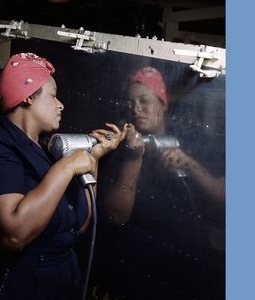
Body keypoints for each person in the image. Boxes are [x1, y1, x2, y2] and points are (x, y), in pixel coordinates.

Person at [0, 52, 128, 300]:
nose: (60, 104)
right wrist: (65, 168)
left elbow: (80, 225)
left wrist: (93, 158)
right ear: (29, 96)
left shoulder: (45, 149)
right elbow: (13, 234)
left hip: (63, 280)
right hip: (23, 287)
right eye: (53, 95)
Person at [94, 66, 225, 299]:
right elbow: (116, 214)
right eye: (130, 102)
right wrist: (134, 157)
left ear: (162, 104)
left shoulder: (190, 139)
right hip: (134, 270)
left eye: (144, 100)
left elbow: (222, 195)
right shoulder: (118, 148)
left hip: (183, 268)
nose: (136, 109)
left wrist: (189, 164)